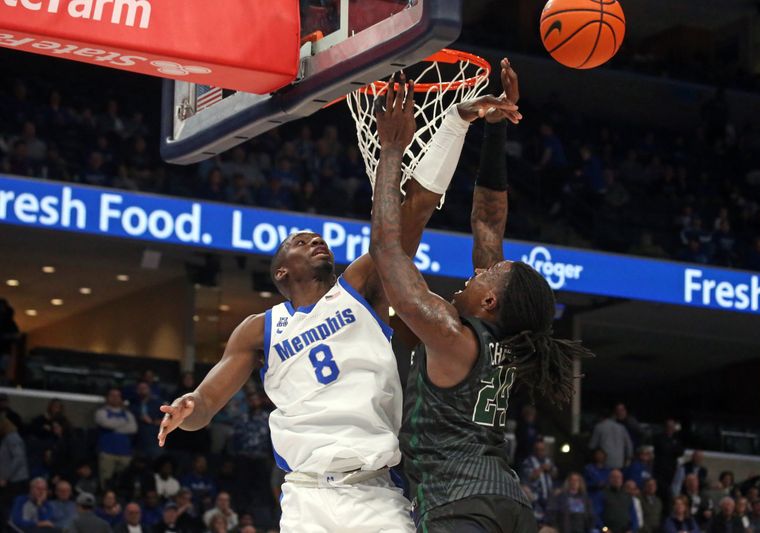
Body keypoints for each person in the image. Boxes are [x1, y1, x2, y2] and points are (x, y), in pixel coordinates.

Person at [157, 74, 520, 533]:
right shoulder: (258, 329)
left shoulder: (359, 288)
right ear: (281, 273)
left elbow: (416, 208)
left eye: (316, 237)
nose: (313, 239)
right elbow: (207, 402)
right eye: (298, 240)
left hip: (373, 491)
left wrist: (455, 124)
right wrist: (188, 408)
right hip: (306, 495)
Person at [370, 62, 589, 532]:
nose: (481, 270)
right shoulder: (504, 340)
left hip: (459, 504)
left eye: (489, 274)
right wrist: (495, 128)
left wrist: (392, 152)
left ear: (490, 302)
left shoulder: (452, 334)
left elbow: (388, 252)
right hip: (508, 502)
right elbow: (488, 221)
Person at [95, 388, 137, 489]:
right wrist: (123, 423)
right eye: (112, 395)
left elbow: (133, 429)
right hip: (107, 452)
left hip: (125, 453)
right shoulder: (101, 412)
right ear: (107, 398)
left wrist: (114, 428)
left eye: (117, 396)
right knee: (106, 481)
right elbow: (106, 424)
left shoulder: (128, 414)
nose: (115, 398)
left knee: (123, 481)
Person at [520, 440, 558, 522]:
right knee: (535, 521)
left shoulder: (548, 460)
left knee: (548, 521)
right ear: (534, 450)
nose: (540, 452)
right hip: (535, 498)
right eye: (538, 449)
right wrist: (541, 468)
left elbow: (555, 474)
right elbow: (529, 477)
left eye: (542, 449)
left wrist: (550, 469)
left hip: (548, 497)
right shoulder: (528, 461)